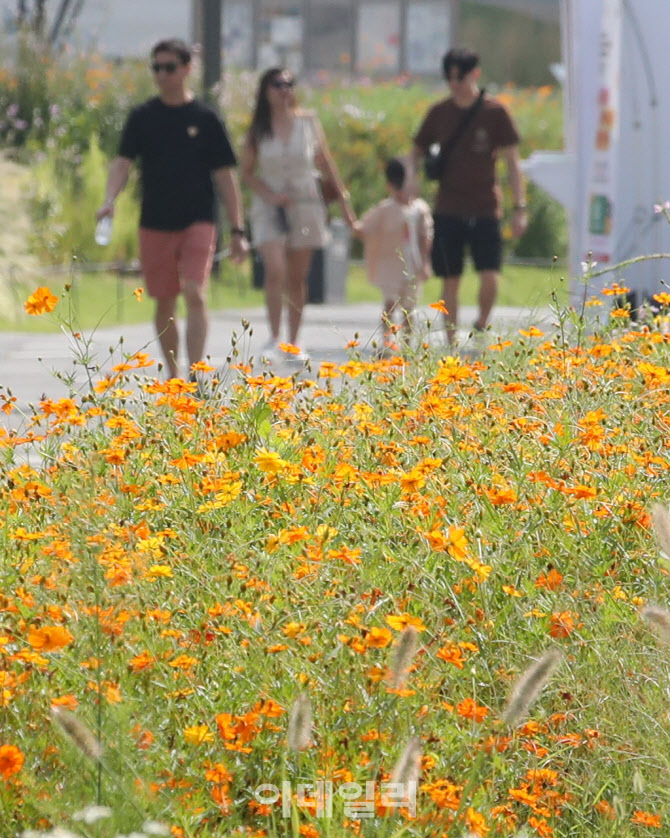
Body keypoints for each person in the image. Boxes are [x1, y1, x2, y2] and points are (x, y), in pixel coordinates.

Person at [96, 38, 248, 380]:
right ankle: (174, 374)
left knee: (195, 291)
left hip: (199, 219)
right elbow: (122, 163)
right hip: (155, 221)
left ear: (187, 69)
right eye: (157, 68)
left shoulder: (206, 119)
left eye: (169, 67)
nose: (162, 74)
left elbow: (226, 176)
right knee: (164, 300)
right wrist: (109, 200)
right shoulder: (143, 117)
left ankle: (195, 375)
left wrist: (238, 230)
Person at [411, 47, 528, 345]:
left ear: (474, 74)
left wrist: (520, 207)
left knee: (490, 274)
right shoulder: (439, 113)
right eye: (449, 77)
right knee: (450, 278)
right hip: (448, 207)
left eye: (459, 77)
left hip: (486, 206)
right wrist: (411, 181)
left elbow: (513, 162)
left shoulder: (495, 112)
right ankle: (451, 341)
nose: (454, 84)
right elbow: (416, 150)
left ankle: (481, 324)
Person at [240, 67, 356, 363]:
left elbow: (324, 160)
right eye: (277, 85)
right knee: (275, 268)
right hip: (270, 204)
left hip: (305, 201)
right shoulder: (258, 129)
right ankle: (274, 336)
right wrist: (269, 195)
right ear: (266, 91)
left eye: (289, 84)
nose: (284, 90)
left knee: (297, 276)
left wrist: (342, 199)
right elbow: (247, 172)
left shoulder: (308, 121)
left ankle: (293, 339)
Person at [353, 157, 433, 356]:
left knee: (409, 308)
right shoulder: (386, 208)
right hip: (391, 265)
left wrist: (425, 262)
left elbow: (425, 237)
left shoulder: (419, 209)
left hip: (412, 263)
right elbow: (363, 229)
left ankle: (407, 345)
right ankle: (387, 343)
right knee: (390, 304)